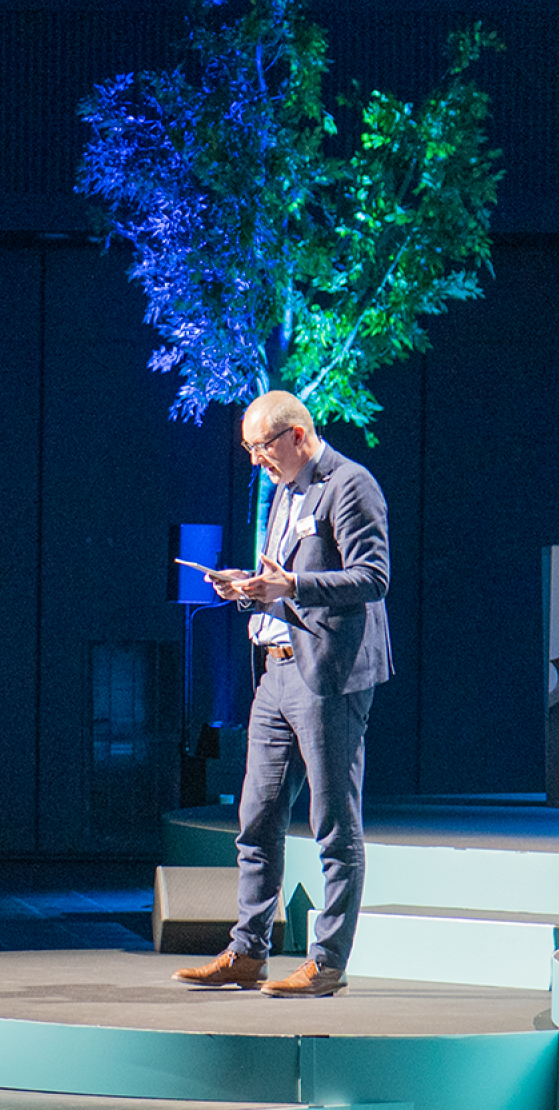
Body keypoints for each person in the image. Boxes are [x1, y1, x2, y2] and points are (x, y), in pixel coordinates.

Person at [175, 390, 392, 998]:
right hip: (274, 671)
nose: (256, 462)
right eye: (249, 450)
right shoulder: (282, 490)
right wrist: (249, 588)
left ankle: (327, 962)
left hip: (328, 674)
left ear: (297, 435)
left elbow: (373, 578)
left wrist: (290, 583)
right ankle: (248, 952)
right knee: (257, 817)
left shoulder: (350, 484)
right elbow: (279, 581)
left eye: (262, 447)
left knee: (333, 824)